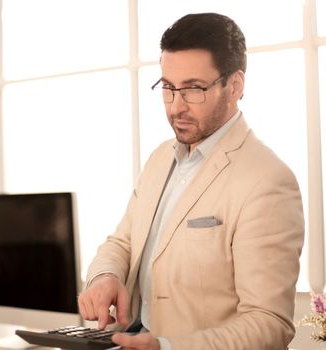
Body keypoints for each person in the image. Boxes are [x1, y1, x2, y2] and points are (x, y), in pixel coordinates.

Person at [78, 12, 304, 350]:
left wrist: (166, 347)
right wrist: (105, 276)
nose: (175, 107)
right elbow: (123, 242)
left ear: (236, 86)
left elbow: (268, 324)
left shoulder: (268, 181)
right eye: (168, 88)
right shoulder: (159, 159)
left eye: (193, 89)